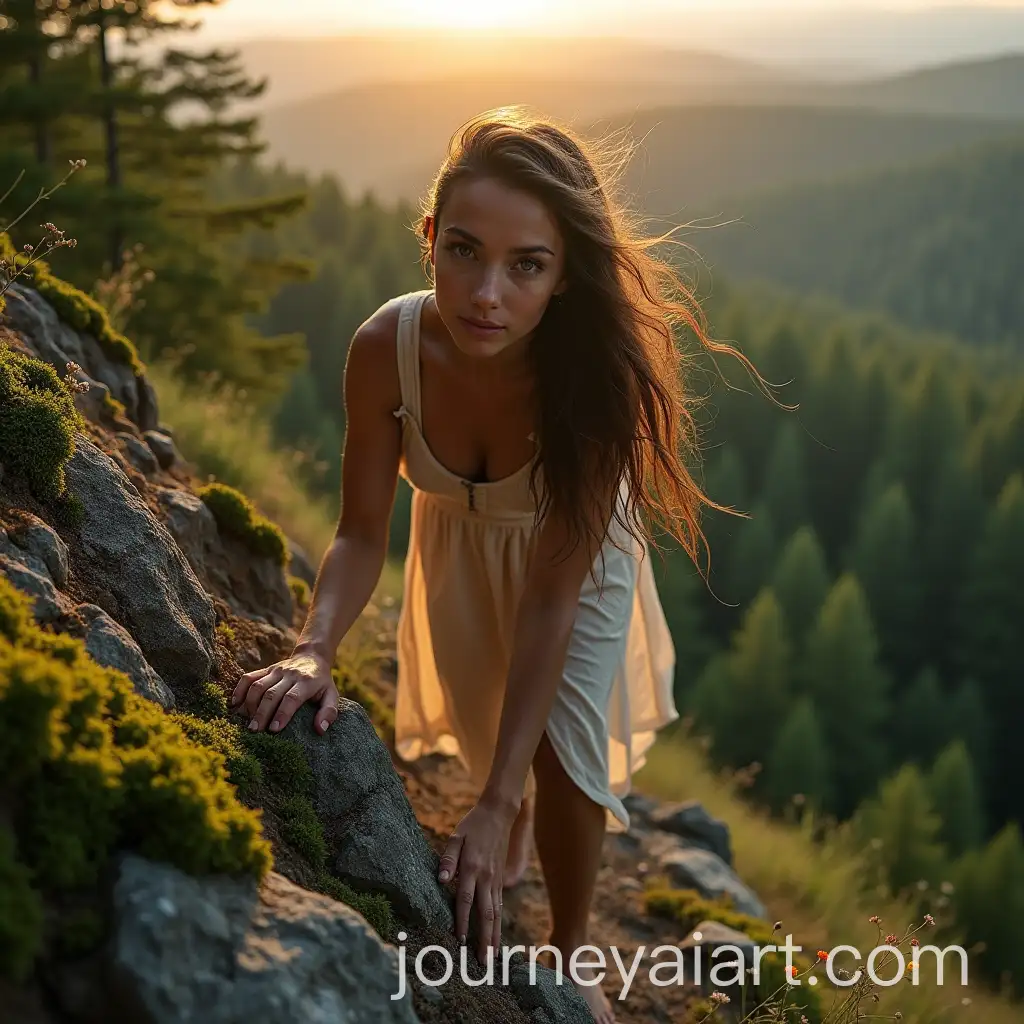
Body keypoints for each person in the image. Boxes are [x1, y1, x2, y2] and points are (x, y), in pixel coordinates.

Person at [231, 107, 765, 1023]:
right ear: (429, 238)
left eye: (527, 266)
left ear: (563, 278)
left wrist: (495, 797)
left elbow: (552, 602)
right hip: (459, 544)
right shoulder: (383, 350)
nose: (487, 293)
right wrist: (314, 647)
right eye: (465, 252)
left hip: (580, 564)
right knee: (491, 727)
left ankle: (569, 948)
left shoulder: (592, 388)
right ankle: (509, 821)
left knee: (558, 756)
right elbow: (362, 532)